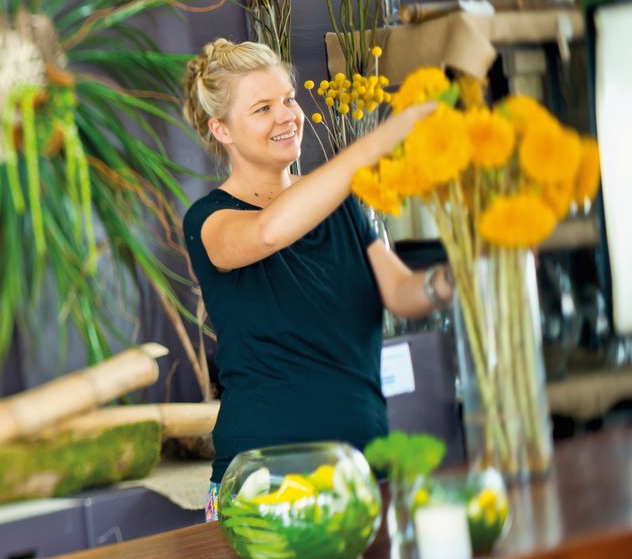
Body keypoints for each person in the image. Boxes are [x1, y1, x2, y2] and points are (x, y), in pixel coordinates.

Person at [180, 39, 453, 522]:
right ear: (220, 129)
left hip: (363, 471)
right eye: (263, 108)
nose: (287, 116)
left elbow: (401, 292)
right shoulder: (209, 221)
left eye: (288, 99)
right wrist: (381, 140)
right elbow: (268, 232)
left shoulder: (341, 207)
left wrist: (450, 282)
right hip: (266, 492)